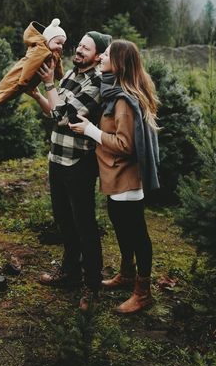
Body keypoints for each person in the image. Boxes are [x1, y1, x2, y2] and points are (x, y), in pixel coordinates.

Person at [69, 39, 160, 314]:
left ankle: (143, 292)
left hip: (126, 180)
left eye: (106, 54)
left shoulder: (122, 100)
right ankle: (126, 274)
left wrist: (90, 131)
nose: (101, 57)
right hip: (115, 178)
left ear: (118, 62)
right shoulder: (114, 91)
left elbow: (126, 144)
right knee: (122, 229)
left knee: (137, 235)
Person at [29, 31, 112, 311]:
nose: (78, 51)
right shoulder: (70, 76)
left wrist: (50, 83)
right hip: (57, 157)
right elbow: (52, 112)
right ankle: (69, 272)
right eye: (79, 46)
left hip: (79, 162)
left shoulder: (97, 82)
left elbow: (66, 116)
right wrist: (38, 94)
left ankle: (92, 285)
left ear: (99, 55)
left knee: (84, 224)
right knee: (64, 219)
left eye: (86, 48)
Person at [0, 18, 66, 105]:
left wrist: (61, 78)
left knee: (16, 92)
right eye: (58, 43)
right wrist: (23, 81)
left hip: (31, 80)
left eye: (62, 44)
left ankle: (2, 98)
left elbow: (58, 67)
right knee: (9, 86)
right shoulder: (40, 50)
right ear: (48, 40)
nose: (60, 46)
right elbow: (30, 65)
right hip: (22, 75)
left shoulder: (54, 53)